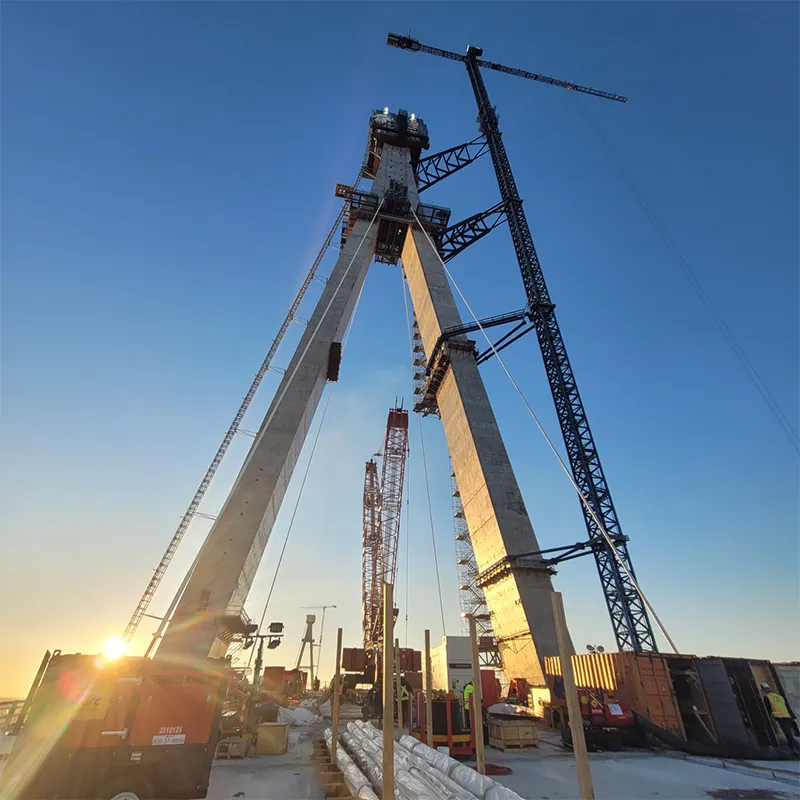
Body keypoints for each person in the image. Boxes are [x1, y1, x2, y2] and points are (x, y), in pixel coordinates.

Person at [761, 683, 799, 754]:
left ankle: (796, 749)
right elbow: (786, 706)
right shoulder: (779, 696)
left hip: (781, 717)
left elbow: (768, 709)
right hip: (787, 716)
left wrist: (767, 718)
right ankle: (793, 749)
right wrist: (792, 717)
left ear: (763, 690)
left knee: (788, 735)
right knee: (789, 734)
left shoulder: (767, 697)